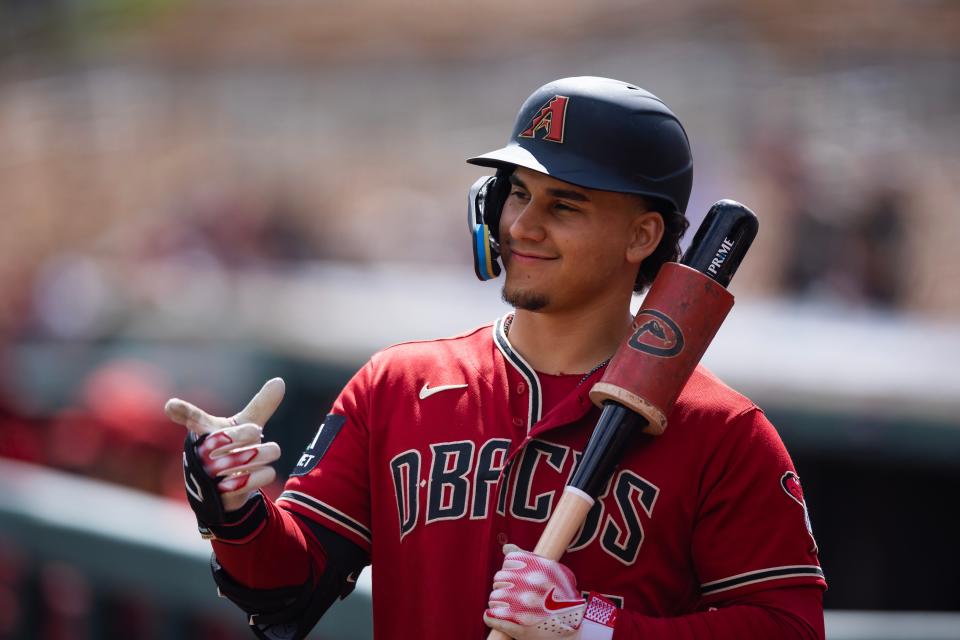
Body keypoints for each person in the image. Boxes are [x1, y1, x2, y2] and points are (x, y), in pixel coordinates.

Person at [166, 76, 826, 640]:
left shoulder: (723, 432)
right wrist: (234, 513)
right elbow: (288, 589)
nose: (523, 227)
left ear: (642, 235)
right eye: (516, 194)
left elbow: (788, 628)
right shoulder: (397, 386)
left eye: (564, 204)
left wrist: (587, 624)